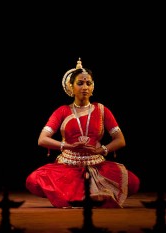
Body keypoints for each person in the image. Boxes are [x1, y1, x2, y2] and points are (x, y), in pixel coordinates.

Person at [25, 58, 140, 208]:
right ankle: (88, 196)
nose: (85, 87)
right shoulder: (62, 111)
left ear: (93, 87)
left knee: (133, 182)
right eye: (80, 83)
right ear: (71, 87)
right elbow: (42, 140)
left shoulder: (102, 110)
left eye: (88, 83)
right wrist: (69, 146)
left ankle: (84, 195)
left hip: (96, 164)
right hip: (69, 165)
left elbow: (120, 140)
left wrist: (102, 150)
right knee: (33, 180)